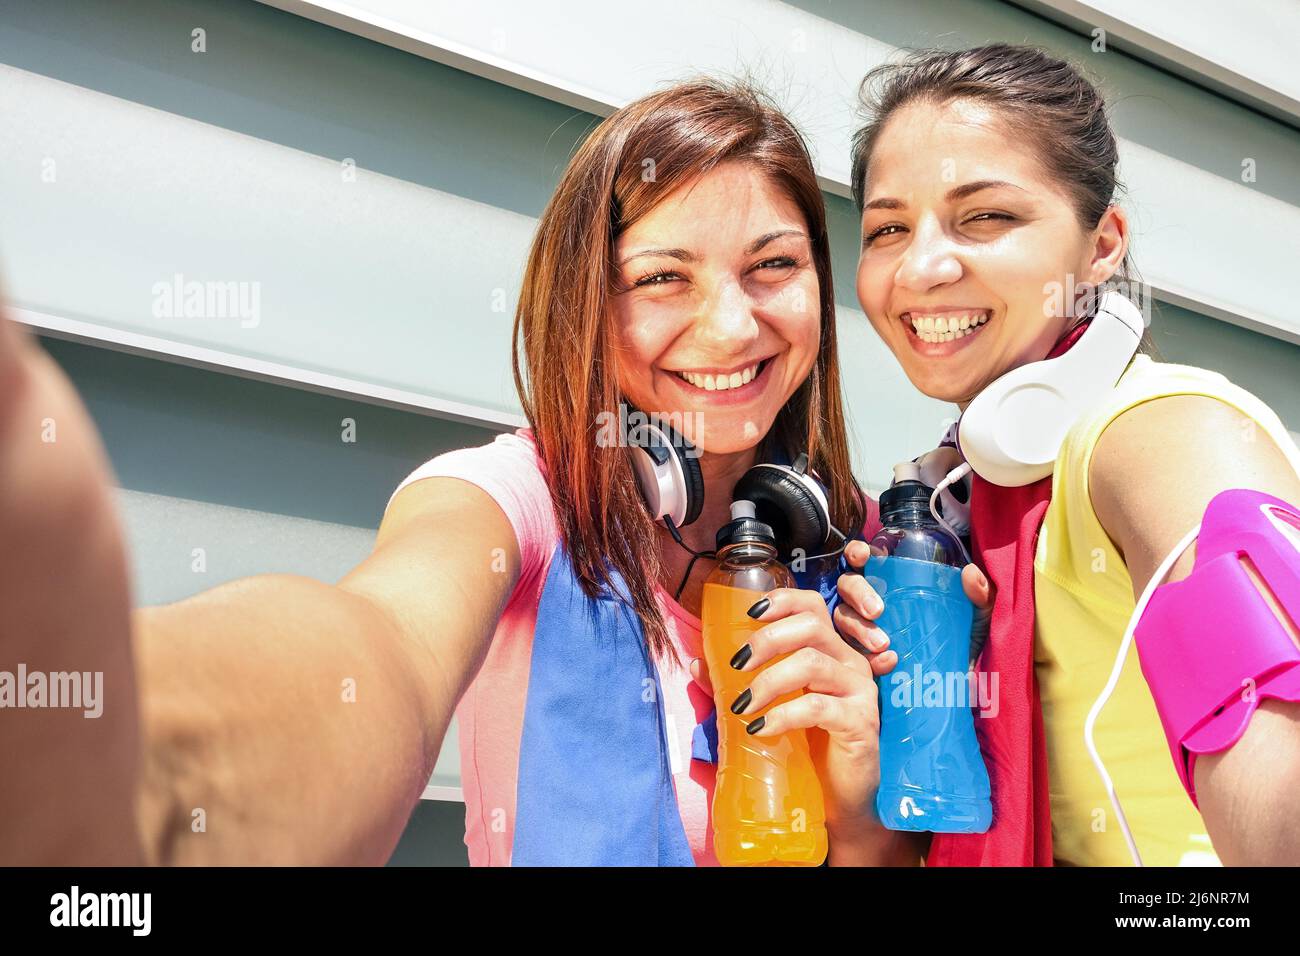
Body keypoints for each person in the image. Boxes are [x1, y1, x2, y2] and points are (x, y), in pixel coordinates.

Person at [0, 78, 989, 866]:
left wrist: (860, 798)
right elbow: (378, 640)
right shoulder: (512, 500)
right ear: (584, 309)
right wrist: (138, 767)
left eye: (772, 265)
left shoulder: (863, 550)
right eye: (660, 277)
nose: (732, 325)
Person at [848, 43, 1300, 866]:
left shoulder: (1161, 431)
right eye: (887, 228)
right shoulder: (953, 494)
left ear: (1101, 246)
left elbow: (1276, 743)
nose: (921, 265)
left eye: (985, 216)